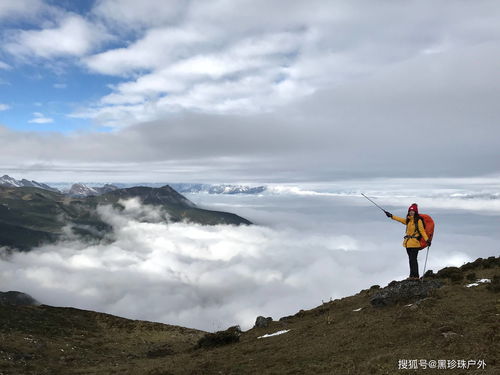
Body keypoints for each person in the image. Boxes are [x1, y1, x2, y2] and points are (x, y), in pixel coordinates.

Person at [384, 203, 430, 280]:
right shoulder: (408, 220)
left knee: (413, 260)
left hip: (415, 244)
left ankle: (415, 276)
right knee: (411, 260)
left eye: (413, 211)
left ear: (416, 212)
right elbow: (400, 219)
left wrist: (427, 240)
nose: (411, 212)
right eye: (410, 211)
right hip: (408, 244)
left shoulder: (418, 221)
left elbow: (422, 231)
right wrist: (391, 216)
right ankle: (412, 275)